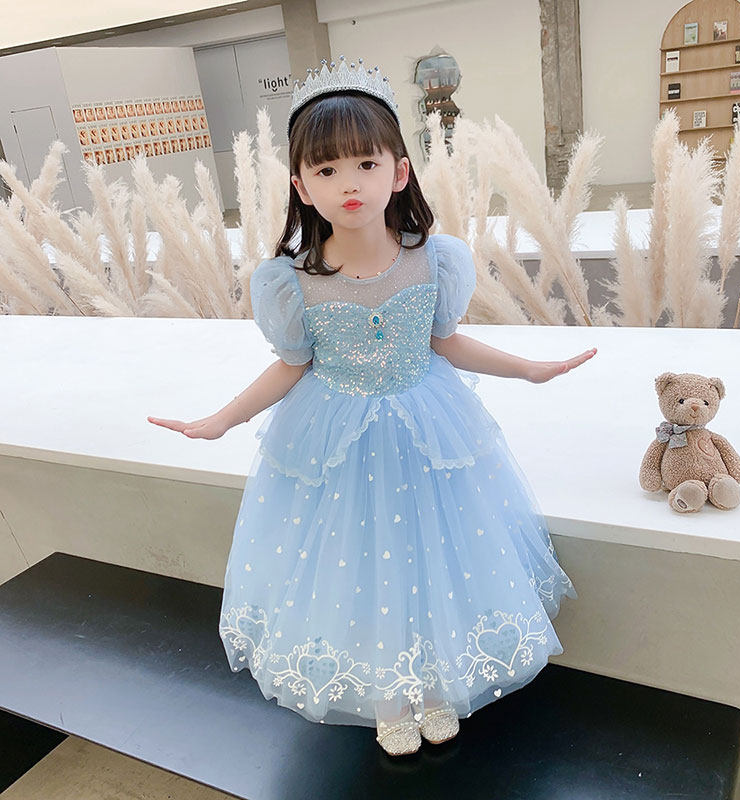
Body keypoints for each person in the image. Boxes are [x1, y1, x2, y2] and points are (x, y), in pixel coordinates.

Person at [147, 55, 597, 757]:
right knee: (360, 569)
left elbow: (446, 341)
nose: (349, 184)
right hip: (338, 443)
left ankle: (438, 683)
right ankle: (390, 695)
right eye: (327, 170)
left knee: (435, 560)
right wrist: (222, 419)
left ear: (400, 171)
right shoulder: (291, 281)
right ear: (301, 186)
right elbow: (290, 365)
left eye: (365, 163)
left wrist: (526, 369)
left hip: (429, 431)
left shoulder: (434, 259)